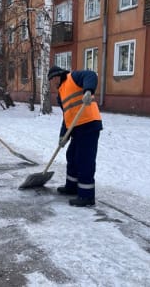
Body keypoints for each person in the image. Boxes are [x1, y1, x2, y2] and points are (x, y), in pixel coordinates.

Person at [47, 66, 103, 207]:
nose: (52, 82)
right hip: (76, 127)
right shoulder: (60, 93)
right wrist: (62, 136)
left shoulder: (74, 77)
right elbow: (68, 115)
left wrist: (88, 91)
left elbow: (91, 75)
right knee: (72, 156)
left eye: (52, 78)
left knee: (84, 160)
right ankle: (71, 187)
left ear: (57, 76)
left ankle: (86, 196)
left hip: (89, 124)